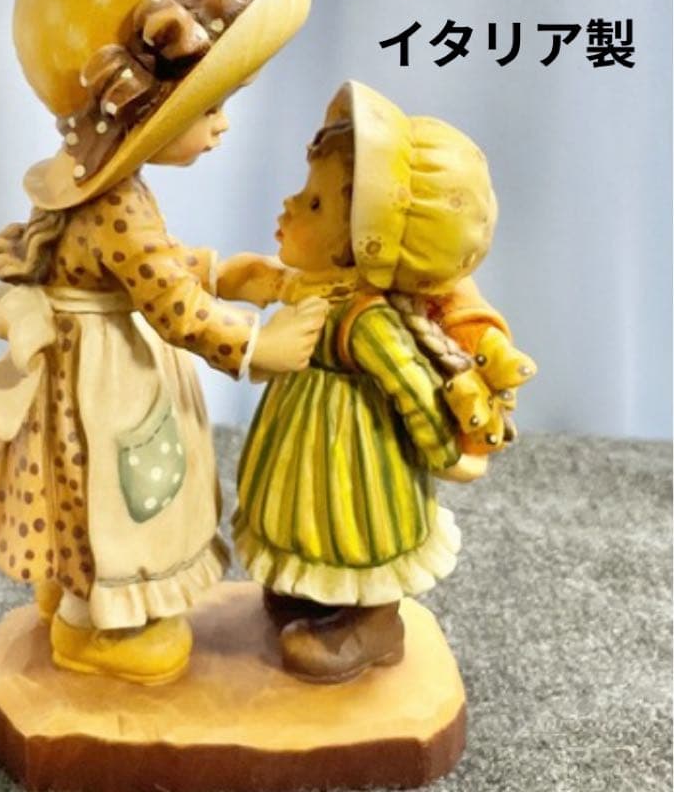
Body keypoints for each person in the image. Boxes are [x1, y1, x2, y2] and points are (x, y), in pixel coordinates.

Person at [0, 0, 326, 686]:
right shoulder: (116, 202)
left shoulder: (104, 194)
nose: (222, 126)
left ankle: (70, 593)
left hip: (82, 365)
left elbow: (134, 267)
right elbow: (169, 306)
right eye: (208, 108)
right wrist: (256, 348)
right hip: (108, 382)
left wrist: (222, 270)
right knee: (119, 499)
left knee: (84, 488)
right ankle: (103, 628)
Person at [218, 81, 536, 683]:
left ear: (360, 247)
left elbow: (413, 386)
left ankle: (374, 621)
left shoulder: (365, 319)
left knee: (356, 524)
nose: (290, 204)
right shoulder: (316, 285)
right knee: (308, 516)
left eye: (314, 204)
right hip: (304, 439)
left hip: (360, 453)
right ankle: (314, 589)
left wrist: (446, 450)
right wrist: (201, 275)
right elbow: (255, 277)